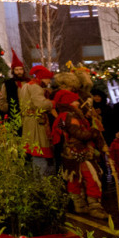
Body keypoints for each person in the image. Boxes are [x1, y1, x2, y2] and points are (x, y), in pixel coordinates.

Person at [50, 71, 108, 219]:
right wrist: (93, 133)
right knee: (91, 178)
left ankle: (79, 205)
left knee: (74, 179)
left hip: (70, 154)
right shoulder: (70, 117)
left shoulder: (65, 116)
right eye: (75, 102)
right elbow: (78, 134)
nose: (78, 103)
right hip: (79, 152)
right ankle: (94, 206)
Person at [20, 65, 56, 175]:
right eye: (48, 78)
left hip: (28, 121)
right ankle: (42, 183)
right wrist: (52, 103)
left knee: (34, 151)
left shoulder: (26, 85)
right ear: (42, 77)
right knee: (39, 152)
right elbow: (41, 104)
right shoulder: (36, 87)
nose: (49, 81)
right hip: (36, 123)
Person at [2, 52, 28, 122]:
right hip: (14, 115)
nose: (19, 72)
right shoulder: (7, 84)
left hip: (28, 115)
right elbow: (3, 99)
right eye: (16, 70)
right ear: (13, 71)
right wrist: (8, 108)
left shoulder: (28, 82)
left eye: (21, 69)